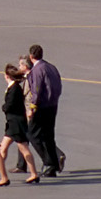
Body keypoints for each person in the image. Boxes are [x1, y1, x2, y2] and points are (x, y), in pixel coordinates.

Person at [0, 63, 40, 184]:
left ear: (7, 76)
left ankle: (34, 173)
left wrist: (4, 107)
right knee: (3, 148)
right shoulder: (14, 88)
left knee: (24, 149)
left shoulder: (14, 89)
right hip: (13, 124)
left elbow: (10, 105)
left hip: (16, 124)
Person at [25, 44, 63, 178]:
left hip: (42, 106)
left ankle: (48, 162)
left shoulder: (37, 70)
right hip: (53, 105)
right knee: (48, 135)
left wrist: (32, 108)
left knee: (32, 134)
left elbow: (36, 90)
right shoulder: (51, 67)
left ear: (31, 56)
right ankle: (54, 165)